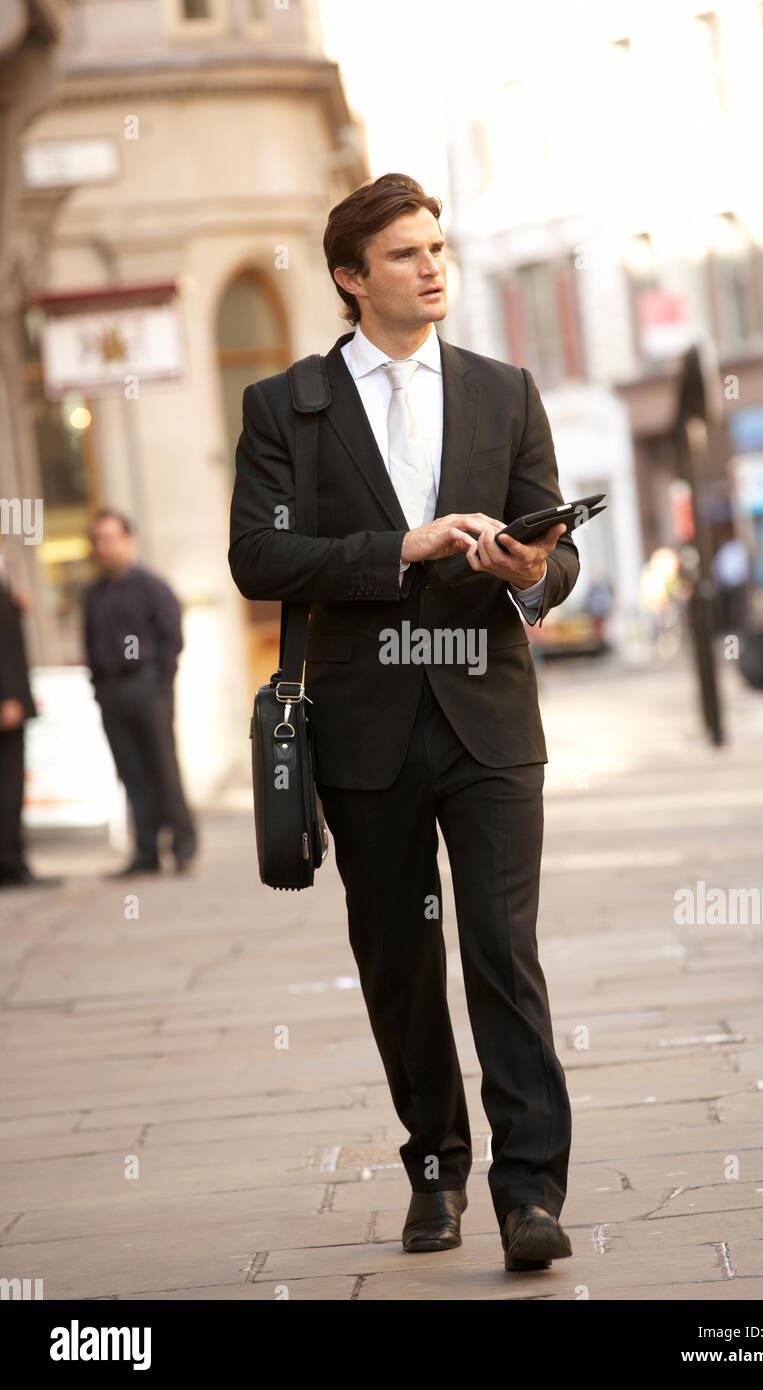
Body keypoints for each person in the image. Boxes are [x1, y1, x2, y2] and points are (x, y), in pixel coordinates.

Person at [229, 173, 580, 1273]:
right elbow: (258, 556)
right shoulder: (288, 405)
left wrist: (534, 565)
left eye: (438, 247)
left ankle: (530, 1194)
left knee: (502, 951)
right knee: (395, 957)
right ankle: (434, 1170)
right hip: (364, 726)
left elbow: (556, 555)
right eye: (403, 254)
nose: (431, 266)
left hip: (484, 713)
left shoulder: (503, 390)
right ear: (349, 277)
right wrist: (402, 546)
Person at [83, 509, 198, 876]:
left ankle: (183, 847)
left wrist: (161, 684)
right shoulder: (93, 593)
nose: (105, 548)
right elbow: (89, 642)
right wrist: (99, 689)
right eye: (99, 540)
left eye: (111, 539)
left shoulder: (151, 585)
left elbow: (172, 637)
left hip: (147, 687)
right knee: (131, 773)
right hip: (112, 691)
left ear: (127, 540)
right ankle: (146, 852)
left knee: (164, 769)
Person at [0, 538, 62, 889]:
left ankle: (10, 860)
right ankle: (11, 864)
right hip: (6, 703)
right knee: (9, 785)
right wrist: (7, 695)